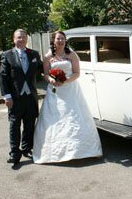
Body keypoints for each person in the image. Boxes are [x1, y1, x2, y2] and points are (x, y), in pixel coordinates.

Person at [33, 30, 102, 163]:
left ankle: (81, 150)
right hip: (55, 92)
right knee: (54, 118)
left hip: (71, 90)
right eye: (58, 39)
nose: (60, 41)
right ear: (53, 40)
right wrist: (51, 80)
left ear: (65, 41)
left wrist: (65, 81)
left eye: (62, 39)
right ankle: (53, 153)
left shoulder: (72, 55)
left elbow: (77, 73)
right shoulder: (48, 56)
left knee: (74, 116)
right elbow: (46, 74)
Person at [0, 29, 43, 165]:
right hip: (15, 98)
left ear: (27, 39)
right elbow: (3, 77)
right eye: (19, 37)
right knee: (14, 125)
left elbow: (43, 69)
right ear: (14, 39)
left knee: (30, 125)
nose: (21, 40)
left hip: (30, 97)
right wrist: (7, 96)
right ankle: (14, 153)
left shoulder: (34, 54)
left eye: (24, 37)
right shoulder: (7, 55)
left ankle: (26, 148)